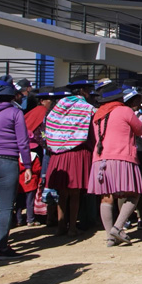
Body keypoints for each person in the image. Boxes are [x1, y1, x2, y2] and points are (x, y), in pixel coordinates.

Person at [88, 81, 142, 246]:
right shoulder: (125, 111)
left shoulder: (97, 115)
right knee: (134, 193)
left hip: (100, 159)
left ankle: (109, 236)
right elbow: (140, 130)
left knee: (106, 198)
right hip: (122, 157)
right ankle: (118, 227)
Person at [0, 78, 31, 260]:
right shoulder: (15, 113)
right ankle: (2, 247)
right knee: (6, 207)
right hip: (8, 162)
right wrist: (27, 166)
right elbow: (23, 142)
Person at [44, 74, 96, 238]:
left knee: (62, 193)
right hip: (77, 152)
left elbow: (48, 126)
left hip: (59, 154)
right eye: (88, 89)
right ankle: (72, 226)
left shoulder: (58, 105)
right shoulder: (87, 108)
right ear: (82, 90)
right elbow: (91, 132)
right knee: (74, 193)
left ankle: (61, 225)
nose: (89, 92)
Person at [23, 86, 57, 227]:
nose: (52, 102)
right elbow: (40, 135)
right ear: (42, 100)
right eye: (50, 100)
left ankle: (25, 216)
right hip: (37, 153)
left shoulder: (30, 113)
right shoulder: (44, 112)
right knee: (39, 185)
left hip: (26, 151)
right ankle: (41, 215)